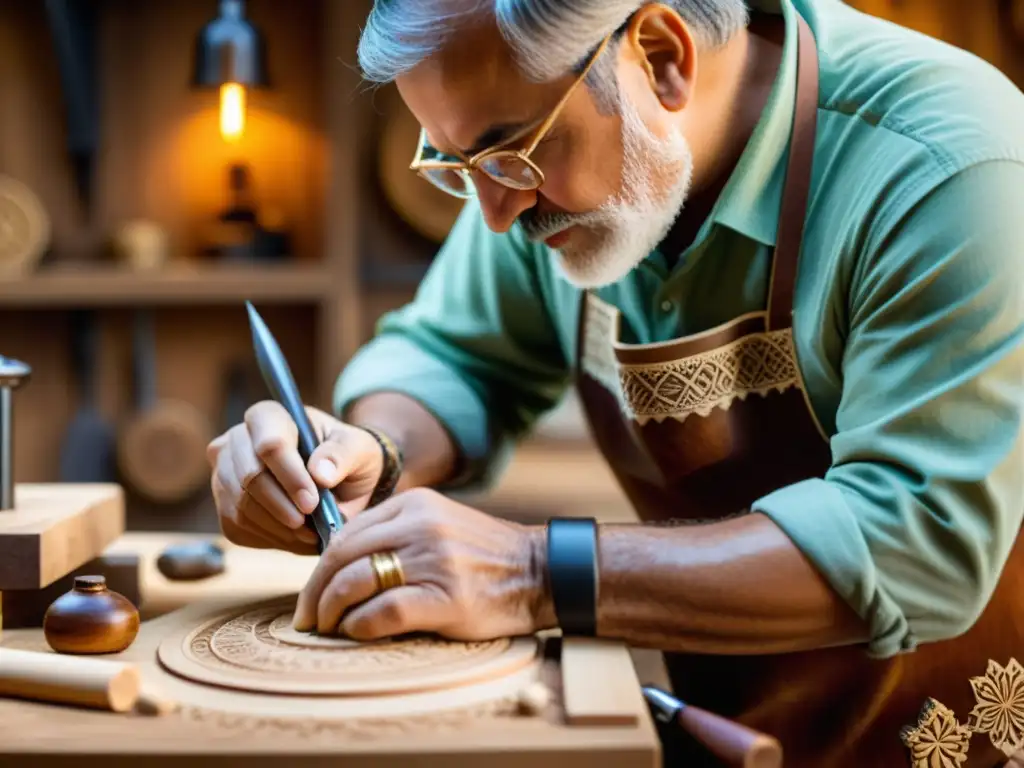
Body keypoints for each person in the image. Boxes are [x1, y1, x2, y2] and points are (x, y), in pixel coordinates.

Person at [207, 0, 1024, 764]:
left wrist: (533, 573)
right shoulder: (536, 167)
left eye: (511, 151)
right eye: (457, 164)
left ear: (662, 57)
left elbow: (918, 538)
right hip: (732, 724)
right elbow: (450, 354)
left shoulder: (949, 164)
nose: (494, 214)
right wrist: (372, 453)